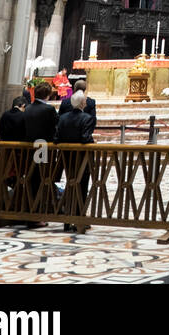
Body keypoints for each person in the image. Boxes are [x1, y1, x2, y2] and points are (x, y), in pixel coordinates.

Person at [54, 91, 95, 233]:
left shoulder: (63, 118)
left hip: (66, 158)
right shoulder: (87, 118)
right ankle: (80, 218)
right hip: (81, 159)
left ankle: (67, 219)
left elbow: (57, 138)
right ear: (83, 103)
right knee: (82, 186)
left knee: (70, 186)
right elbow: (85, 138)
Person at [23, 81, 58, 227]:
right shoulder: (48, 110)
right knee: (41, 178)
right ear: (48, 95)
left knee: (30, 179)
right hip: (43, 148)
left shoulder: (28, 108)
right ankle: (37, 215)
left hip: (28, 148)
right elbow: (55, 128)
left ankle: (28, 211)